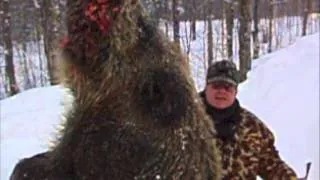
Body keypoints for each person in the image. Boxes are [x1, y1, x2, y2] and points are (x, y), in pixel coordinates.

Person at [200, 60, 298, 180]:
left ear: (235, 91)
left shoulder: (253, 128)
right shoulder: (183, 122)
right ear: (206, 88)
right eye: (216, 86)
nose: (222, 91)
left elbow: (273, 166)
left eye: (227, 87)